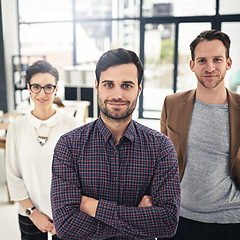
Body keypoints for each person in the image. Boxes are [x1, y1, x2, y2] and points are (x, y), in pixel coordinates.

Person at [50, 48, 180, 239]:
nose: (117, 95)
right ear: (97, 86)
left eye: (126, 85)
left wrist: (92, 206)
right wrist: (137, 217)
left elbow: (167, 222)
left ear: (139, 89)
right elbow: (65, 224)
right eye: (109, 84)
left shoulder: (161, 147)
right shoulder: (69, 145)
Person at [160, 30, 240, 240]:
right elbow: (161, 160)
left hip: (232, 221)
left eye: (217, 60)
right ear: (192, 65)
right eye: (202, 60)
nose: (210, 67)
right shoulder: (172, 103)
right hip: (179, 218)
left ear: (228, 63)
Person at [6, 60, 79, 240]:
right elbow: (13, 175)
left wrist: (67, 213)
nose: (42, 93)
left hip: (66, 214)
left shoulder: (73, 125)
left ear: (56, 89)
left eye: (48, 87)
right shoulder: (17, 127)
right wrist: (33, 213)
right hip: (29, 213)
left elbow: (81, 175)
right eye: (36, 87)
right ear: (29, 89)